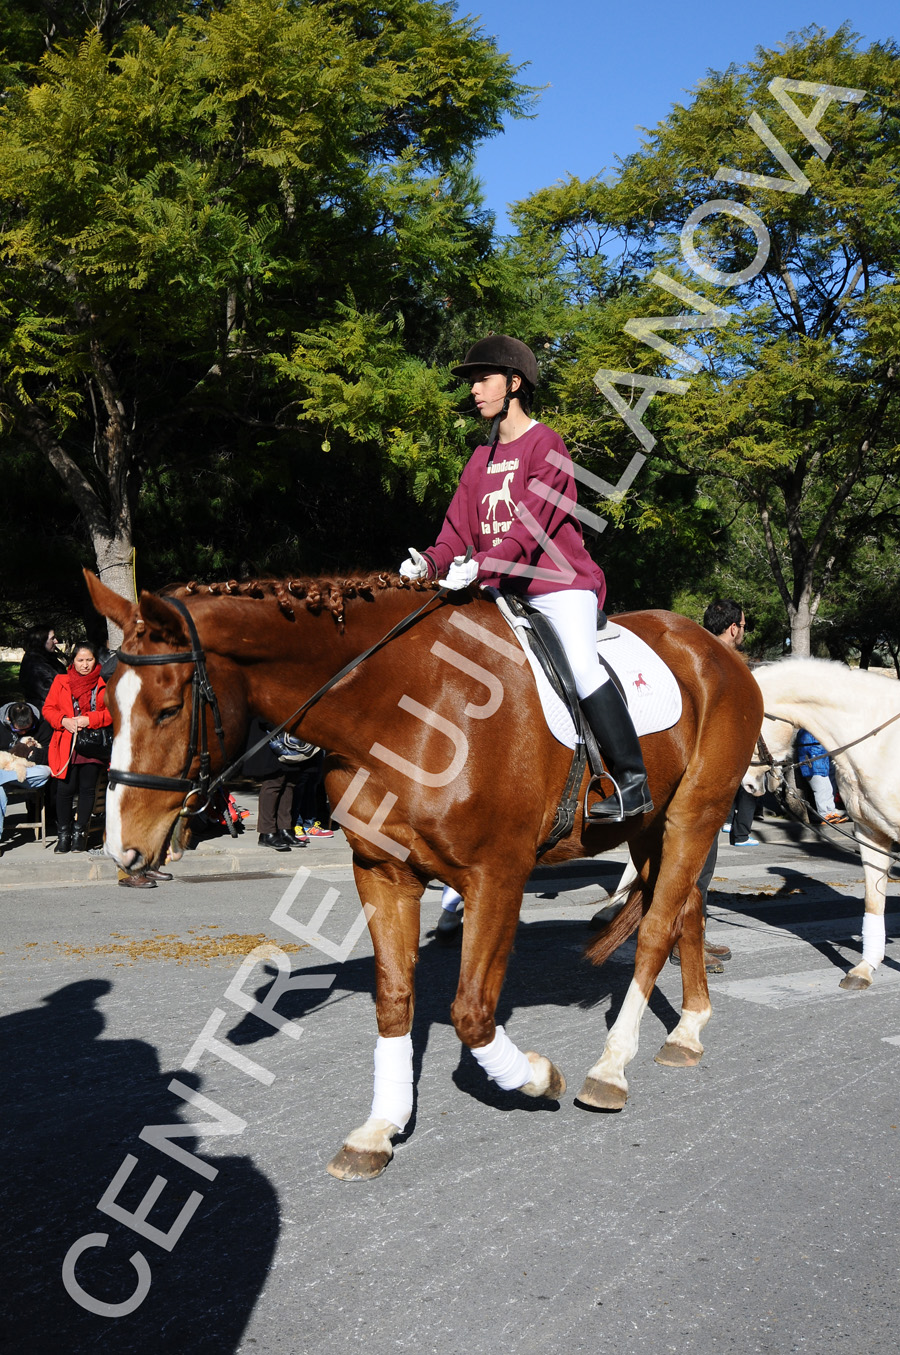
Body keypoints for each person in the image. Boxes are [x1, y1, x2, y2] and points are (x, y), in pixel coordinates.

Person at [399, 334, 651, 820]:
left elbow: (527, 531)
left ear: (514, 383)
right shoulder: (479, 459)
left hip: (558, 585)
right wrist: (428, 563)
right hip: (502, 588)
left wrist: (482, 566)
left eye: (483, 379)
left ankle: (632, 782)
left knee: (580, 667)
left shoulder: (546, 445)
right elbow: (455, 532)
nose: (474, 390)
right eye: (473, 381)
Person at [702, 599, 762, 846]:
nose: (743, 631)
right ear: (734, 628)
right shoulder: (732, 666)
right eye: (744, 625)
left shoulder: (693, 653)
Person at [43, 641, 112, 854]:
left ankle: (80, 834)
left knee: (87, 789)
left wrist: (88, 719)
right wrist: (63, 720)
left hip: (92, 744)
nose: (85, 665)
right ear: (72, 661)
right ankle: (63, 834)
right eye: (80, 660)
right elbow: (48, 708)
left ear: (96, 660)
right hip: (66, 743)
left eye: (89, 660)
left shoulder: (103, 682)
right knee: (64, 789)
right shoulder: (61, 681)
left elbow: (111, 713)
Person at [0, 701, 52, 846]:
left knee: (46, 772)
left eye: (28, 729)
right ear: (8, 720)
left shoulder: (43, 725)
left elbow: (50, 754)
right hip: (5, 768)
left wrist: (32, 753)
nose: (23, 733)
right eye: (18, 731)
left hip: (30, 771)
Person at [796, 729, 848, 823]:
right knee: (821, 790)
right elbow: (809, 750)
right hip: (813, 766)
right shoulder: (806, 733)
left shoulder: (812, 731)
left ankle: (831, 812)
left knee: (828, 789)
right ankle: (825, 814)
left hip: (821, 765)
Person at [18, 626, 67, 709]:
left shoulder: (48, 658)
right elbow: (52, 694)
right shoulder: (34, 666)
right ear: (41, 641)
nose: (56, 641)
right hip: (46, 714)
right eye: (52, 638)